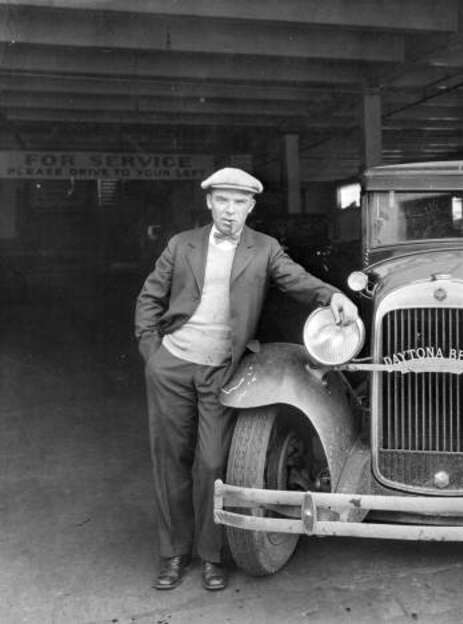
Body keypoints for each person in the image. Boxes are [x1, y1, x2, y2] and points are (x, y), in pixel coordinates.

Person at [134, 167, 358, 591]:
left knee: (213, 462)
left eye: (239, 203)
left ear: (251, 207)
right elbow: (149, 299)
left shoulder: (265, 248)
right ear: (209, 202)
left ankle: (211, 555)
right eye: (222, 200)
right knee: (171, 461)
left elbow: (297, 280)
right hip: (173, 365)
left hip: (221, 370)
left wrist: (333, 295)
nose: (230, 211)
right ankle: (174, 555)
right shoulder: (181, 245)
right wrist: (153, 355)